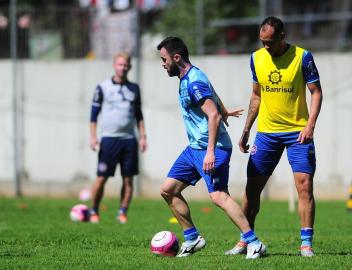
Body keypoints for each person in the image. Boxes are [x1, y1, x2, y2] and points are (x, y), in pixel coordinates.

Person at [157, 37, 266, 259]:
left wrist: (210, 151)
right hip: (195, 148)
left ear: (176, 58)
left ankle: (255, 243)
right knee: (168, 190)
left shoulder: (193, 82)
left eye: (164, 59)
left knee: (218, 196)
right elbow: (213, 98)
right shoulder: (192, 75)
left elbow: (212, 114)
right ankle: (192, 237)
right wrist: (224, 111)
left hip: (211, 148)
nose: (163, 64)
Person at [226, 16, 323, 257]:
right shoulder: (256, 59)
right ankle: (245, 239)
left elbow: (317, 93)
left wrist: (310, 126)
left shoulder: (303, 57)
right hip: (267, 134)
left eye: (269, 42)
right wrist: (247, 129)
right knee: (251, 191)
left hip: (297, 132)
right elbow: (256, 96)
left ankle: (306, 244)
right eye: (262, 42)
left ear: (282, 36)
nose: (265, 47)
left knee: (305, 186)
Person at [89, 52, 147, 224]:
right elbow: (93, 116)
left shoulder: (134, 89)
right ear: (114, 65)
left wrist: (143, 136)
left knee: (128, 179)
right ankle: (94, 211)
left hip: (129, 139)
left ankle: (122, 212)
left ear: (129, 66)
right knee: (101, 178)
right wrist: (93, 137)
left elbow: (139, 115)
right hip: (108, 140)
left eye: (125, 65)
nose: (123, 67)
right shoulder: (102, 87)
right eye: (120, 64)